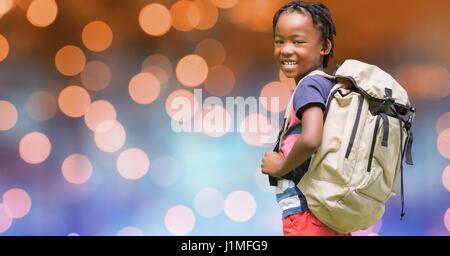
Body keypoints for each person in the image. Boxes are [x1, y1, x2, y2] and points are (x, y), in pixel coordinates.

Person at [260, 0, 349, 236]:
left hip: (307, 216)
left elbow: (311, 139)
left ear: (325, 46)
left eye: (298, 41)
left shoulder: (308, 87)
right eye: (279, 41)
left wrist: (280, 166)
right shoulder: (330, 86)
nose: (286, 49)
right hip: (330, 214)